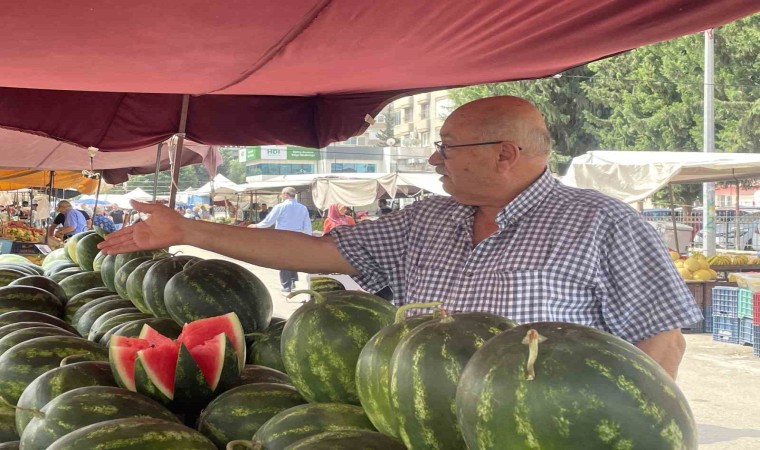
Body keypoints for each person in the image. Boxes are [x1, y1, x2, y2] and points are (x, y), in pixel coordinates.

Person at [98, 96, 701, 378]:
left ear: (505, 154)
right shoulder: (427, 219)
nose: (435, 158)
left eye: (448, 147)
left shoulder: (604, 223)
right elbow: (316, 252)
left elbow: (661, 341)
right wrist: (187, 230)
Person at [248, 187, 312, 293]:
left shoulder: (280, 206)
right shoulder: (303, 208)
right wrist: (308, 237)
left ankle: (287, 285)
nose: (281, 195)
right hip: (297, 237)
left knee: (284, 261)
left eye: (282, 194)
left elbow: (269, 221)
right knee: (293, 259)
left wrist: (256, 226)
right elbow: (307, 224)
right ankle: (293, 281)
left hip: (283, 237)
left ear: (286, 194)